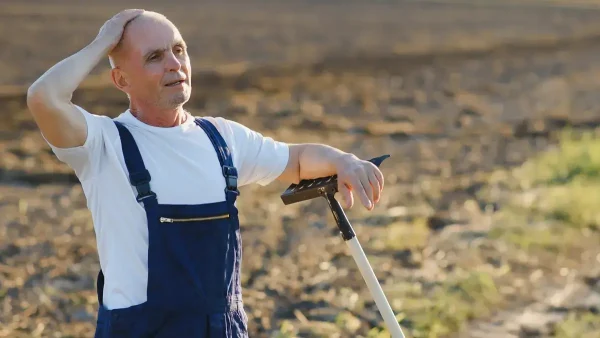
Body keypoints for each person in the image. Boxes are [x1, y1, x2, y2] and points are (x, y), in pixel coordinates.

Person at [26, 9, 385, 338]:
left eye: (179, 50)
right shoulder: (104, 144)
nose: (174, 64)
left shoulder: (221, 139)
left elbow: (298, 161)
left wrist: (344, 161)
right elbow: (44, 97)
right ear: (121, 80)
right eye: (154, 57)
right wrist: (105, 39)